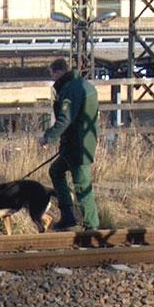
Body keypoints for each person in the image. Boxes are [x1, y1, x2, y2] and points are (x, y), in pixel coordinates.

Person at [38, 58, 100, 231]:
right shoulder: (83, 85)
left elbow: (65, 119)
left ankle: (92, 226)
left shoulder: (72, 89)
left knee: (82, 185)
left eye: (52, 75)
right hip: (76, 145)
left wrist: (48, 137)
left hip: (78, 147)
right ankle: (68, 216)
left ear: (58, 72)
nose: (52, 80)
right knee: (56, 171)